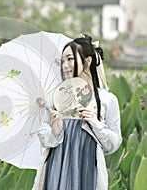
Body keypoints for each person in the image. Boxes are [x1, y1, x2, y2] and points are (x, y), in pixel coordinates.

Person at [32, 34, 122, 190]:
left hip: (87, 166)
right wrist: (55, 131)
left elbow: (113, 144)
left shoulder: (107, 100)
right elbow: (44, 136)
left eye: (70, 59)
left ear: (88, 61)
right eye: (63, 60)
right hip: (57, 165)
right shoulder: (56, 98)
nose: (65, 65)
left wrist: (95, 123)